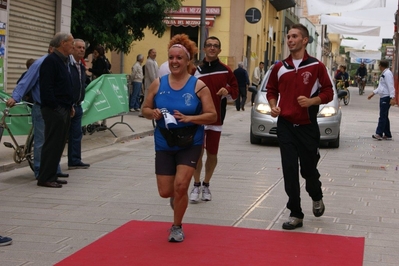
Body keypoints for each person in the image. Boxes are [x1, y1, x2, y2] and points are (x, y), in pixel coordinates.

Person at [141, 34, 216, 242]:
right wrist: (152, 113)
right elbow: (145, 108)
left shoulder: (198, 86)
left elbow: (212, 115)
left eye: (179, 58)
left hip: (190, 142)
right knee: (166, 191)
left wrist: (189, 118)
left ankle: (176, 226)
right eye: (171, 57)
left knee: (181, 185)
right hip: (164, 141)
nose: (175, 61)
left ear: (188, 60)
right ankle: (176, 196)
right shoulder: (158, 83)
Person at [266, 24, 333, 230]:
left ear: (305, 40)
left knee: (308, 169)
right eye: (288, 36)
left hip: (307, 126)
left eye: (294, 36)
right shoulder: (279, 67)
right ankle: (295, 213)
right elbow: (271, 90)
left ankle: (316, 194)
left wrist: (312, 102)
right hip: (285, 125)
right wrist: (273, 107)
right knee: (289, 170)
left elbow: (328, 92)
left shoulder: (316, 66)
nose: (290, 40)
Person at [6, 41, 67, 179]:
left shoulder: (63, 63)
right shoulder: (41, 63)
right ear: (53, 49)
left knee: (54, 141)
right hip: (42, 107)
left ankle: (53, 169)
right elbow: (26, 80)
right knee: (42, 141)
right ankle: (40, 171)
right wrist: (15, 97)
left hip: (57, 108)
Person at [189, 36, 238, 203]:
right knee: (197, 152)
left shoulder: (226, 71)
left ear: (219, 50)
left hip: (216, 119)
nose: (212, 48)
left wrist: (227, 89)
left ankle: (206, 184)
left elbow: (236, 90)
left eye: (215, 46)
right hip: (197, 118)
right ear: (204, 49)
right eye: (209, 45)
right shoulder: (194, 70)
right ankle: (196, 185)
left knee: (212, 153)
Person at [37, 32, 75, 188]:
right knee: (52, 144)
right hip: (54, 110)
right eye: (71, 43)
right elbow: (47, 89)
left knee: (59, 144)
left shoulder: (63, 61)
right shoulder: (51, 61)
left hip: (63, 108)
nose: (72, 46)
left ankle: (52, 174)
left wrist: (69, 105)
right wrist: (56, 107)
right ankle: (45, 177)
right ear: (63, 43)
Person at [67, 39, 90, 170]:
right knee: (61, 136)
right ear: (73, 48)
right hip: (67, 106)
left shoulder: (81, 66)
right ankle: (53, 166)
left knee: (76, 135)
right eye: (79, 47)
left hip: (78, 105)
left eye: (83, 48)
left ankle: (74, 160)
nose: (82, 50)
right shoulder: (67, 64)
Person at [367, 60, 396, 140]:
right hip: (383, 96)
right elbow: (381, 87)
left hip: (386, 97)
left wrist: (392, 97)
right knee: (385, 116)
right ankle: (387, 134)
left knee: (382, 116)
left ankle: (379, 133)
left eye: (379, 65)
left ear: (381, 65)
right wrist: (373, 93)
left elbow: (390, 86)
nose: (379, 66)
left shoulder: (387, 74)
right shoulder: (384, 73)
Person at [139, 48, 158, 117]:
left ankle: (143, 111)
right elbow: (151, 74)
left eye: (155, 52)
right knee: (147, 97)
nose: (155, 54)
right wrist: (155, 82)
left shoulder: (154, 61)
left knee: (149, 97)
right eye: (153, 52)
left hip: (153, 82)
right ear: (149, 54)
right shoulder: (149, 62)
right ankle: (142, 112)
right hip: (150, 83)